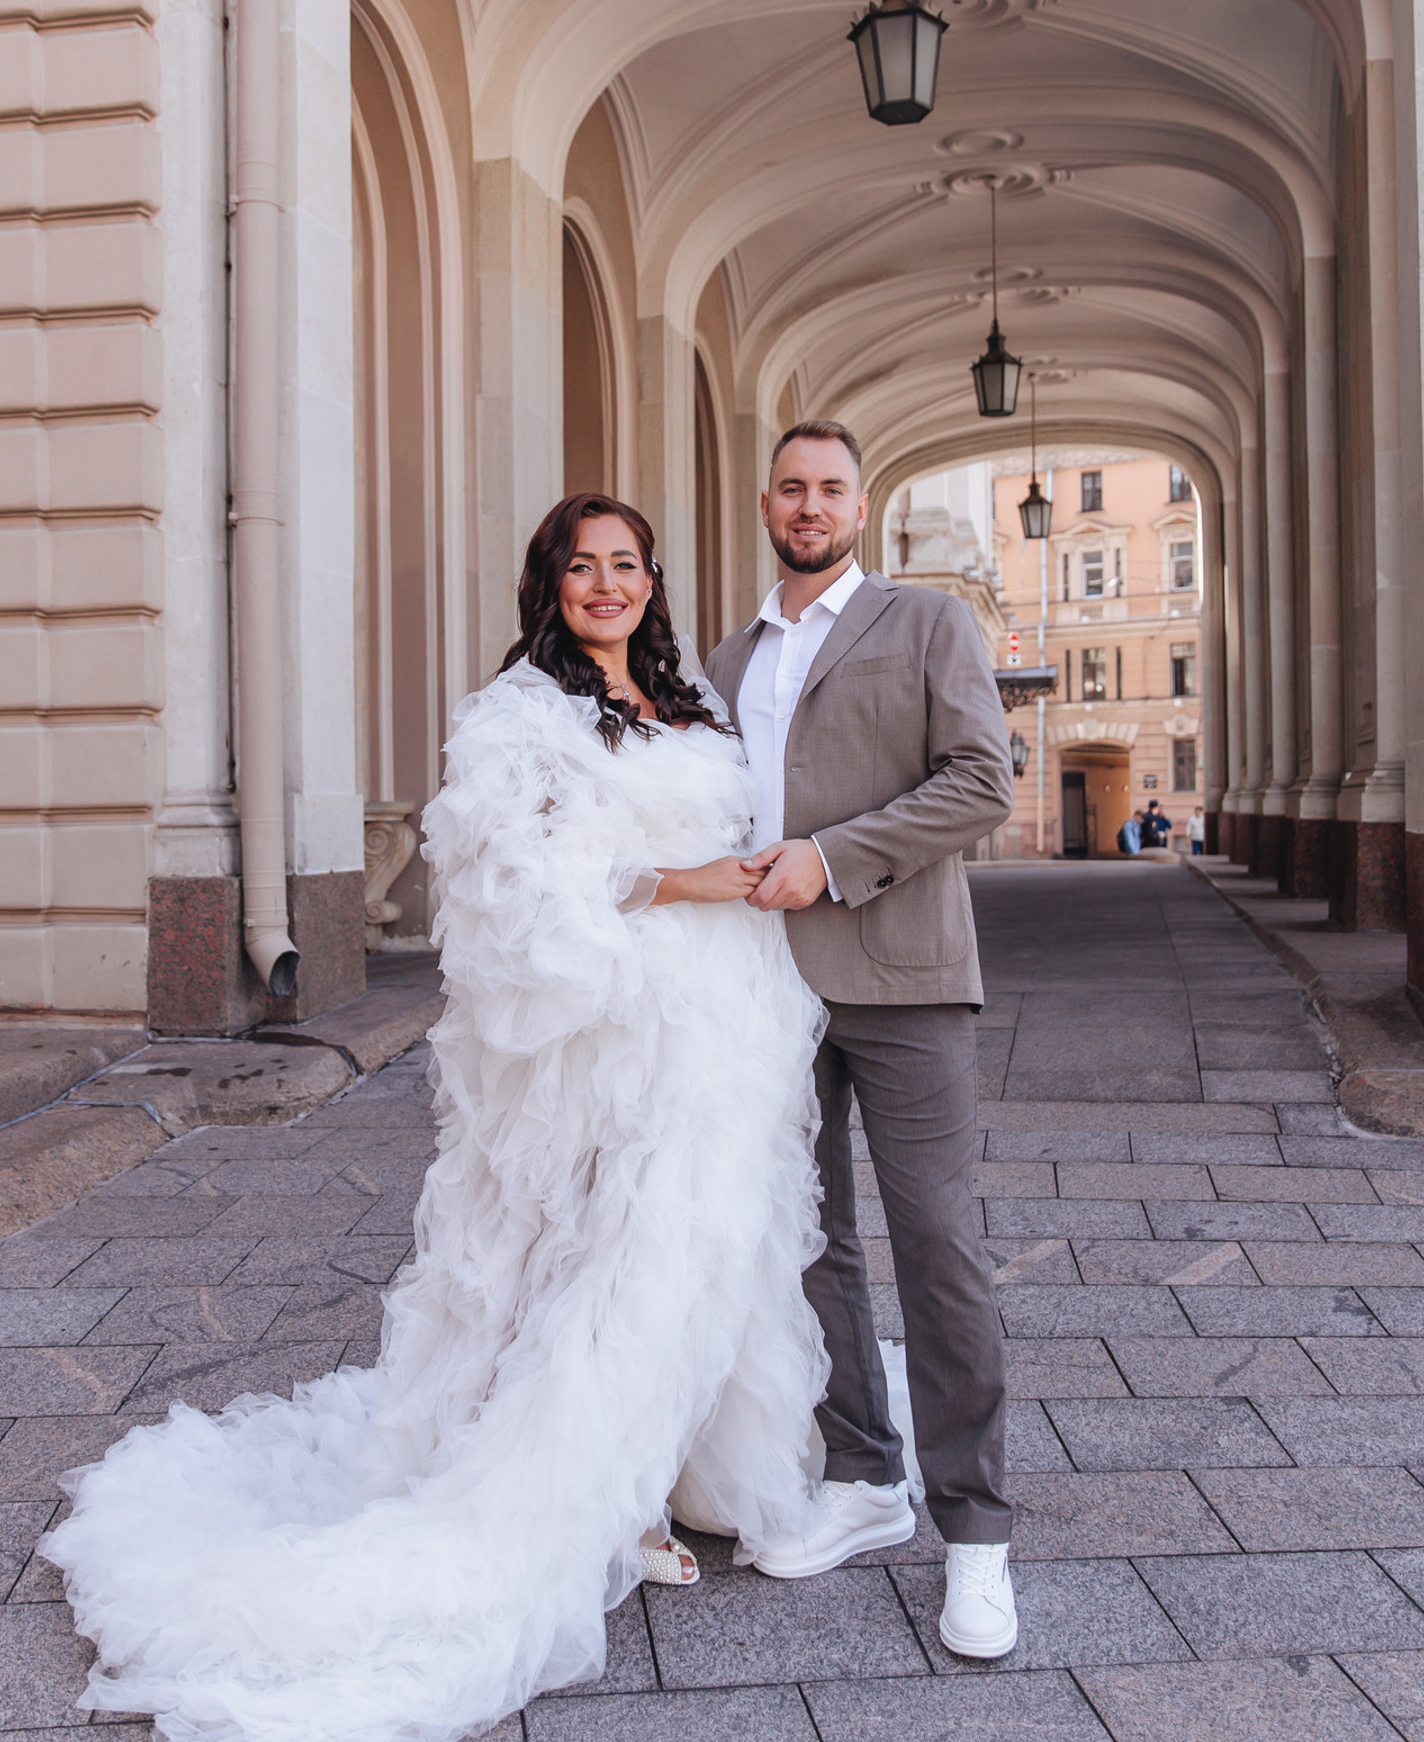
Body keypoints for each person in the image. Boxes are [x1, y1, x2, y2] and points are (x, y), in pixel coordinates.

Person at [43, 492, 833, 1742]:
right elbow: (514, 875)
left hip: (714, 1024)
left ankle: (664, 1465)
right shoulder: (524, 711)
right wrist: (687, 881)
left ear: (653, 583)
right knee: (585, 1258)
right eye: (584, 568)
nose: (608, 586)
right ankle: (598, 1499)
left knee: (682, 1255)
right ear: (550, 584)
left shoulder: (687, 702)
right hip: (601, 1024)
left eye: (627, 566)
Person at [703, 420, 1020, 1659]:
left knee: (940, 1245)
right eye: (791, 486)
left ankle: (977, 1532)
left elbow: (981, 782)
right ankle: (864, 1472)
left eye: (831, 487)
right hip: (767, 991)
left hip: (903, 976)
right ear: (767, 502)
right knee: (811, 1240)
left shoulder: (928, 625)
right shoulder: (729, 658)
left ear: (862, 503)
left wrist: (832, 860)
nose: (810, 504)